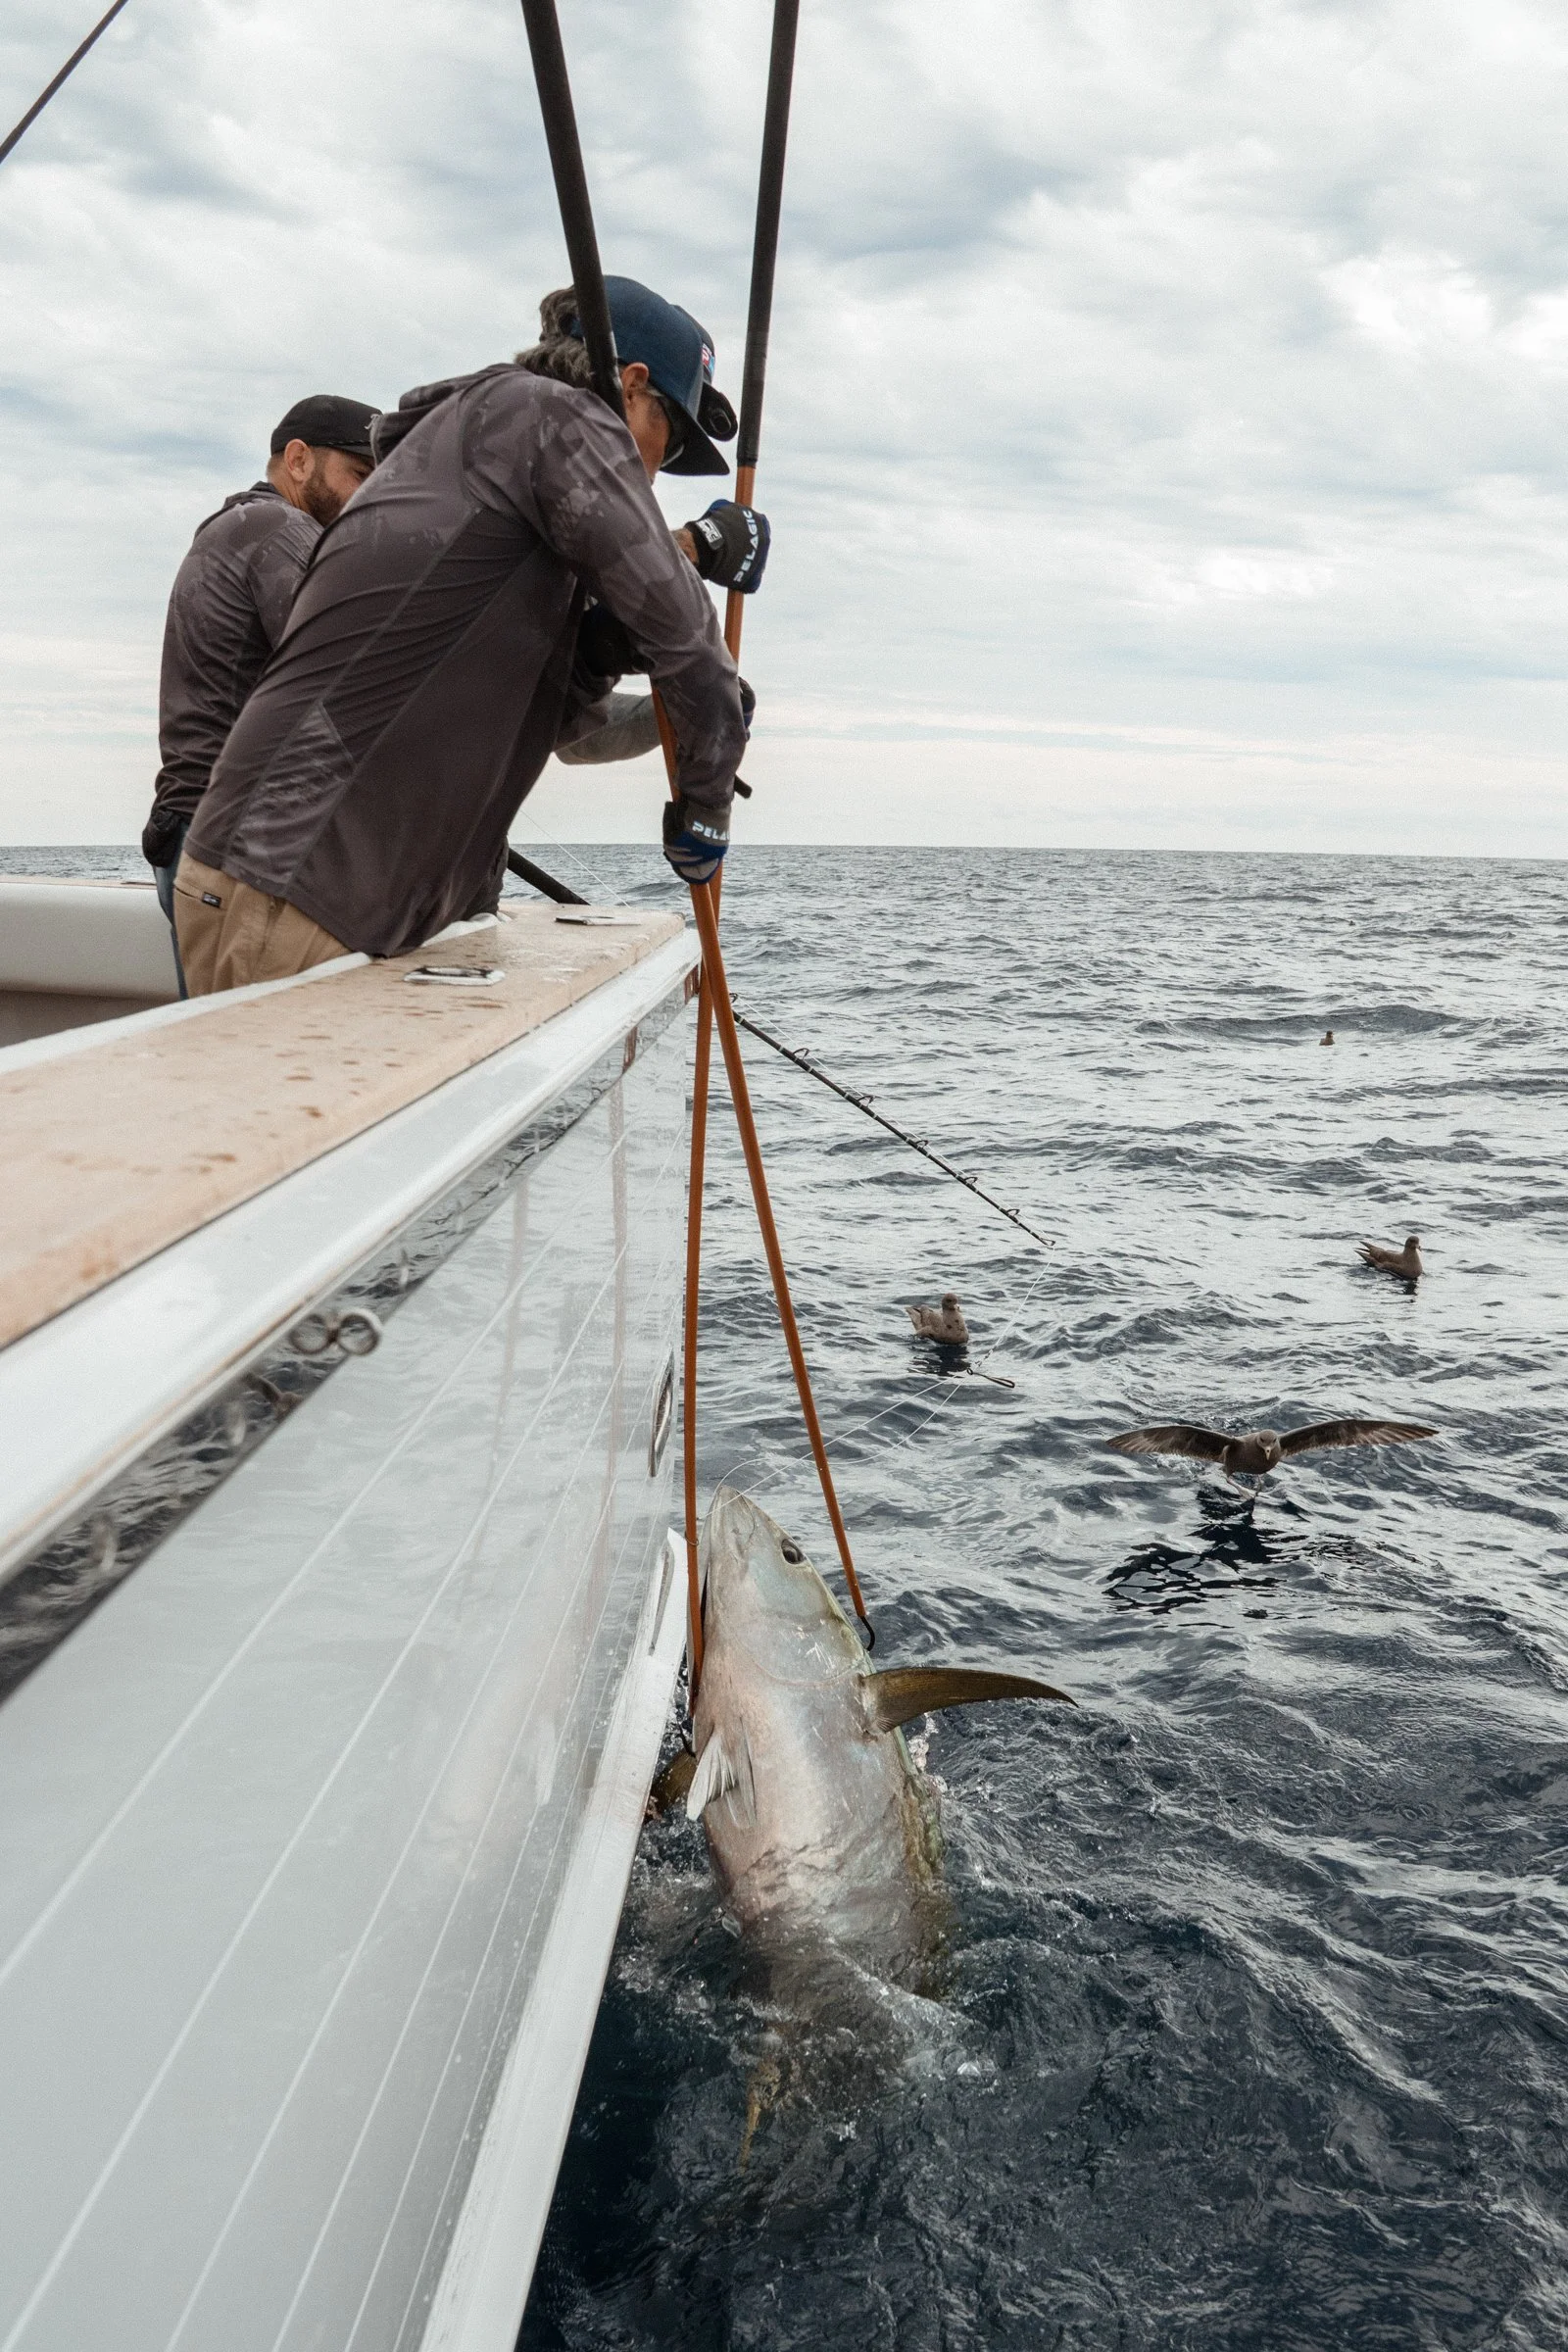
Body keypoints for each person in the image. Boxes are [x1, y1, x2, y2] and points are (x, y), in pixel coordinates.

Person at [172, 279, 765, 997]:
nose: (655, 469)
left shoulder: (484, 458)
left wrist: (600, 649)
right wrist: (706, 809)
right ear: (631, 385)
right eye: (667, 443)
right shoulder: (553, 416)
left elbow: (540, 723)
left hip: (304, 889)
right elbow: (690, 640)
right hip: (299, 888)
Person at [141, 395, 379, 989]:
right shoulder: (281, 528)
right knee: (251, 1045)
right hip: (234, 844)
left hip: (197, 832)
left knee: (219, 1036)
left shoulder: (238, 527)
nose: (371, 498)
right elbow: (353, 676)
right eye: (360, 475)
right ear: (298, 460)